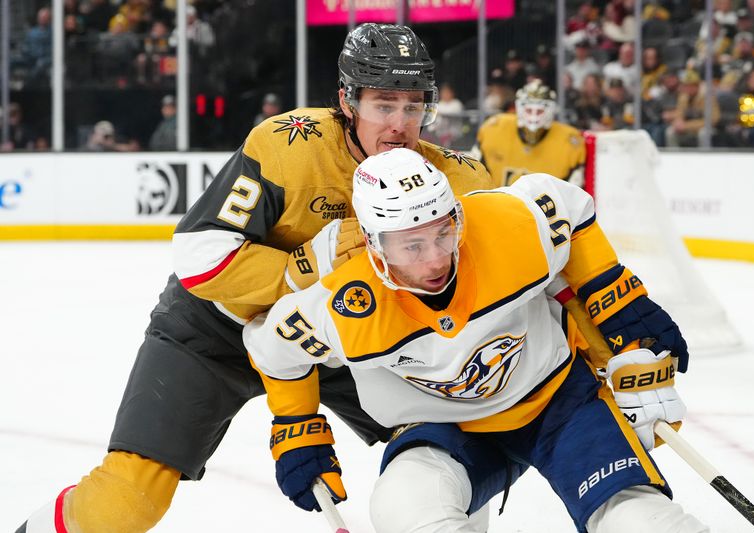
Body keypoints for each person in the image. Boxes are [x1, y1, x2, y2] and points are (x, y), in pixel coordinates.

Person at [17, 23, 493, 533]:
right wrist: (305, 266)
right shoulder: (289, 146)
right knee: (125, 502)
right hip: (214, 333)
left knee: (451, 453)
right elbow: (199, 255)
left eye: (413, 106)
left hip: (342, 337)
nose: (400, 125)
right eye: (384, 104)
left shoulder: (454, 180)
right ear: (347, 101)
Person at [243, 147, 706, 533]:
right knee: (403, 508)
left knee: (639, 519)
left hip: (558, 402)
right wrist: (296, 427)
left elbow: (566, 204)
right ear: (373, 242)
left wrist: (613, 296)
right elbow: (272, 351)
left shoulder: (505, 224)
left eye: (444, 234)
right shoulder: (344, 305)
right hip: (443, 428)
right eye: (412, 246)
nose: (435, 260)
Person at [472, 79, 586, 187]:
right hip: (497, 200)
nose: (533, 116)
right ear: (519, 109)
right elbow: (473, 173)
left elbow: (573, 192)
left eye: (539, 111)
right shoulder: (494, 128)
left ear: (549, 111)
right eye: (529, 110)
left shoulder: (569, 141)